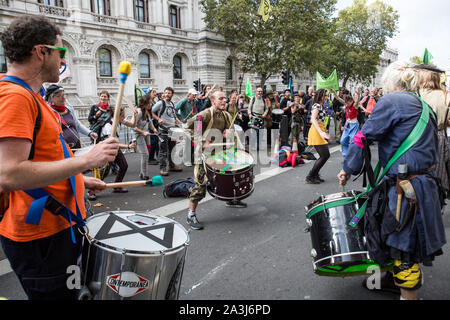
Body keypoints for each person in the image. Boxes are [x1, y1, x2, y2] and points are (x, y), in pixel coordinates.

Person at [0, 15, 118, 300]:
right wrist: (87, 160)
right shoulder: (15, 97)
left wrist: (77, 179)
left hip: (56, 227)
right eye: (61, 52)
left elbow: (41, 158)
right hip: (41, 235)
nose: (63, 60)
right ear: (41, 52)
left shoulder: (30, 94)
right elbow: (9, 174)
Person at [337, 61, 446, 300]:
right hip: (424, 184)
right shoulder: (424, 106)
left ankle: (407, 295)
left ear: (389, 84)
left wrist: (348, 168)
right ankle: (389, 279)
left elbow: (363, 137)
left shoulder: (391, 101)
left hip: (406, 188)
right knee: (399, 239)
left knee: (403, 246)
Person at [185, 90, 243, 230]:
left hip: (220, 153)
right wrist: (201, 141)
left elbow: (232, 133)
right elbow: (188, 127)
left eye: (225, 98)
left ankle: (231, 199)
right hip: (204, 155)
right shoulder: (204, 115)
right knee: (200, 184)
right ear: (213, 101)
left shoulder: (227, 116)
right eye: (221, 98)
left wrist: (230, 134)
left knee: (230, 176)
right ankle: (190, 214)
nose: (224, 101)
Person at [417, 64, 450, 197]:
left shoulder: (417, 95)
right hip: (438, 136)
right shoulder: (445, 95)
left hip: (418, 137)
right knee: (438, 174)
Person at [44, 84, 97, 150]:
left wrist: (89, 133)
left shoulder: (69, 109)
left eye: (63, 95)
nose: (63, 98)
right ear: (51, 98)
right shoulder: (48, 112)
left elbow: (78, 125)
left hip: (76, 145)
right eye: (58, 96)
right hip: (61, 149)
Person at [152, 87, 183, 176]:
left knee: (172, 149)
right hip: (163, 129)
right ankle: (162, 168)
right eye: (165, 93)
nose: (166, 94)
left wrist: (176, 119)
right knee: (163, 150)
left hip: (172, 129)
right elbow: (151, 112)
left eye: (169, 93)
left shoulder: (172, 104)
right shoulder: (160, 103)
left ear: (172, 94)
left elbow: (173, 113)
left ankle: (172, 166)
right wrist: (158, 119)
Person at [305, 89, 331, 184]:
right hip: (316, 132)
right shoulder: (316, 105)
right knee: (325, 155)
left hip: (319, 130)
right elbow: (313, 119)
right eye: (325, 96)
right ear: (320, 96)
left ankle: (314, 174)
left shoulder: (321, 106)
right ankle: (311, 176)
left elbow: (320, 120)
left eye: (327, 96)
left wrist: (324, 130)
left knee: (324, 155)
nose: (327, 98)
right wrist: (321, 132)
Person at [330, 87, 361, 161]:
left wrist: (359, 95)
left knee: (352, 141)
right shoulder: (347, 104)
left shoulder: (354, 105)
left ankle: (354, 156)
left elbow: (357, 101)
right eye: (346, 103)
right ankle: (345, 157)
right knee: (343, 141)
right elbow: (338, 98)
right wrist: (334, 92)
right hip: (348, 124)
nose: (347, 104)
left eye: (349, 102)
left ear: (351, 101)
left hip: (354, 124)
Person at [133, 94, 158, 180]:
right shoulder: (139, 112)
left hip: (146, 134)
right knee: (145, 154)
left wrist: (154, 129)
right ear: (144, 103)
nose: (150, 105)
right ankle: (144, 175)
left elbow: (150, 123)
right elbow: (133, 127)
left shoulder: (147, 111)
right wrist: (143, 132)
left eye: (151, 103)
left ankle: (142, 173)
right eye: (149, 103)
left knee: (145, 155)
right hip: (139, 134)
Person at [175, 88, 199, 167]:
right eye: (193, 95)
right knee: (187, 142)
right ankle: (186, 160)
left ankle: (194, 158)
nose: (195, 96)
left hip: (193, 122)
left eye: (195, 95)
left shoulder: (195, 101)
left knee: (195, 140)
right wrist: (181, 118)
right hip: (186, 123)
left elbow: (195, 111)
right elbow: (175, 109)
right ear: (189, 94)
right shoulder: (183, 101)